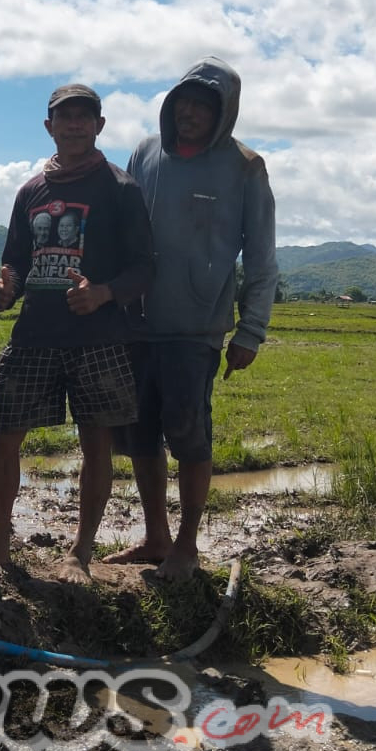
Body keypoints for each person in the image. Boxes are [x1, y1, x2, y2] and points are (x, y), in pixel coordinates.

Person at [0, 84, 154, 583]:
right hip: (35, 330)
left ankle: (80, 550)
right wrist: (5, 285)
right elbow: (15, 258)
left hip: (98, 336)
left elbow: (145, 268)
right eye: (65, 117)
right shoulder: (31, 191)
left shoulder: (120, 189)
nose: (74, 125)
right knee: (3, 435)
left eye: (84, 117)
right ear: (49, 127)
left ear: (99, 125)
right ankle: (0, 544)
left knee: (96, 443)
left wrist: (102, 293)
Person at [110, 58, 278, 579]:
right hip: (137, 321)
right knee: (139, 434)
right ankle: (156, 537)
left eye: (203, 106)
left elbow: (262, 259)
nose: (189, 112)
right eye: (183, 101)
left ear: (223, 113)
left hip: (196, 326)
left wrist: (250, 330)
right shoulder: (145, 153)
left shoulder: (245, 166)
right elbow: (123, 230)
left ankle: (187, 545)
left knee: (188, 434)